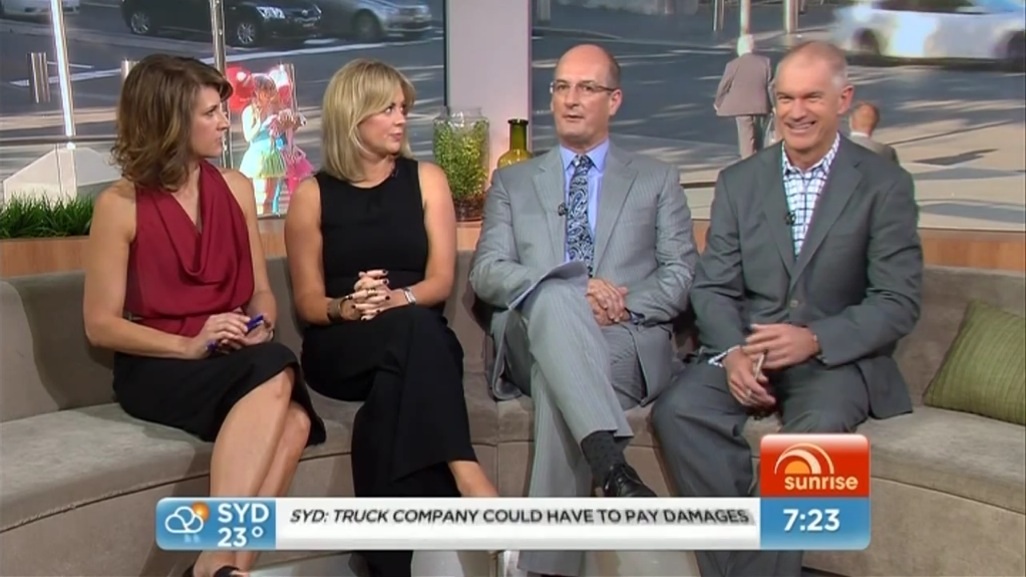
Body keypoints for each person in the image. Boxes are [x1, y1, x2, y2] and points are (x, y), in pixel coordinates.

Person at [652, 41, 923, 577]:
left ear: (843, 99)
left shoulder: (884, 185)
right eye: (786, 98)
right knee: (678, 412)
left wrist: (816, 338)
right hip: (748, 352)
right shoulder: (740, 182)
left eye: (812, 98)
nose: (796, 112)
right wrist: (732, 352)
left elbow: (898, 300)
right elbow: (713, 287)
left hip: (834, 363)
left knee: (813, 440)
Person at [82, 54, 327, 577]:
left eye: (222, 110)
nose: (224, 122)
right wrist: (190, 344)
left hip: (231, 355)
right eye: (211, 113)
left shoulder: (236, 187)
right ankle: (216, 557)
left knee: (297, 419)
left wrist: (259, 324)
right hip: (159, 364)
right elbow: (100, 325)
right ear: (171, 122)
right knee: (280, 374)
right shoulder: (119, 205)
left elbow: (261, 293)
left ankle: (223, 568)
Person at [469, 44, 698, 577]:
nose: (570, 100)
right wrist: (570, 291)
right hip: (530, 335)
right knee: (555, 295)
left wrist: (620, 303)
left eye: (587, 88)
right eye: (561, 87)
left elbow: (680, 277)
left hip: (620, 339)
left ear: (613, 100)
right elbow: (487, 272)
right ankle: (612, 471)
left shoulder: (656, 180)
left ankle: (553, 554)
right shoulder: (513, 182)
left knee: (558, 382)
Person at [283, 58, 498, 577]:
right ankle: (465, 469)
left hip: (413, 331)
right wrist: (348, 306)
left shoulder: (428, 180)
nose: (401, 119)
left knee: (392, 395)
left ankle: (382, 563)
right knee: (421, 341)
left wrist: (394, 299)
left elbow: (439, 282)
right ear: (352, 117)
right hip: (342, 346)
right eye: (387, 109)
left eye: (403, 107)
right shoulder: (311, 196)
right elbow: (308, 302)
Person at [714, 35, 773, 159]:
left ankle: (748, 163)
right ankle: (759, 159)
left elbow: (724, 86)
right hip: (761, 107)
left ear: (739, 48)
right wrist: (774, 105)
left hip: (742, 109)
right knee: (759, 136)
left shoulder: (733, 65)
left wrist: (718, 102)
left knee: (746, 138)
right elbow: (771, 86)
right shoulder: (765, 62)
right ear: (753, 47)